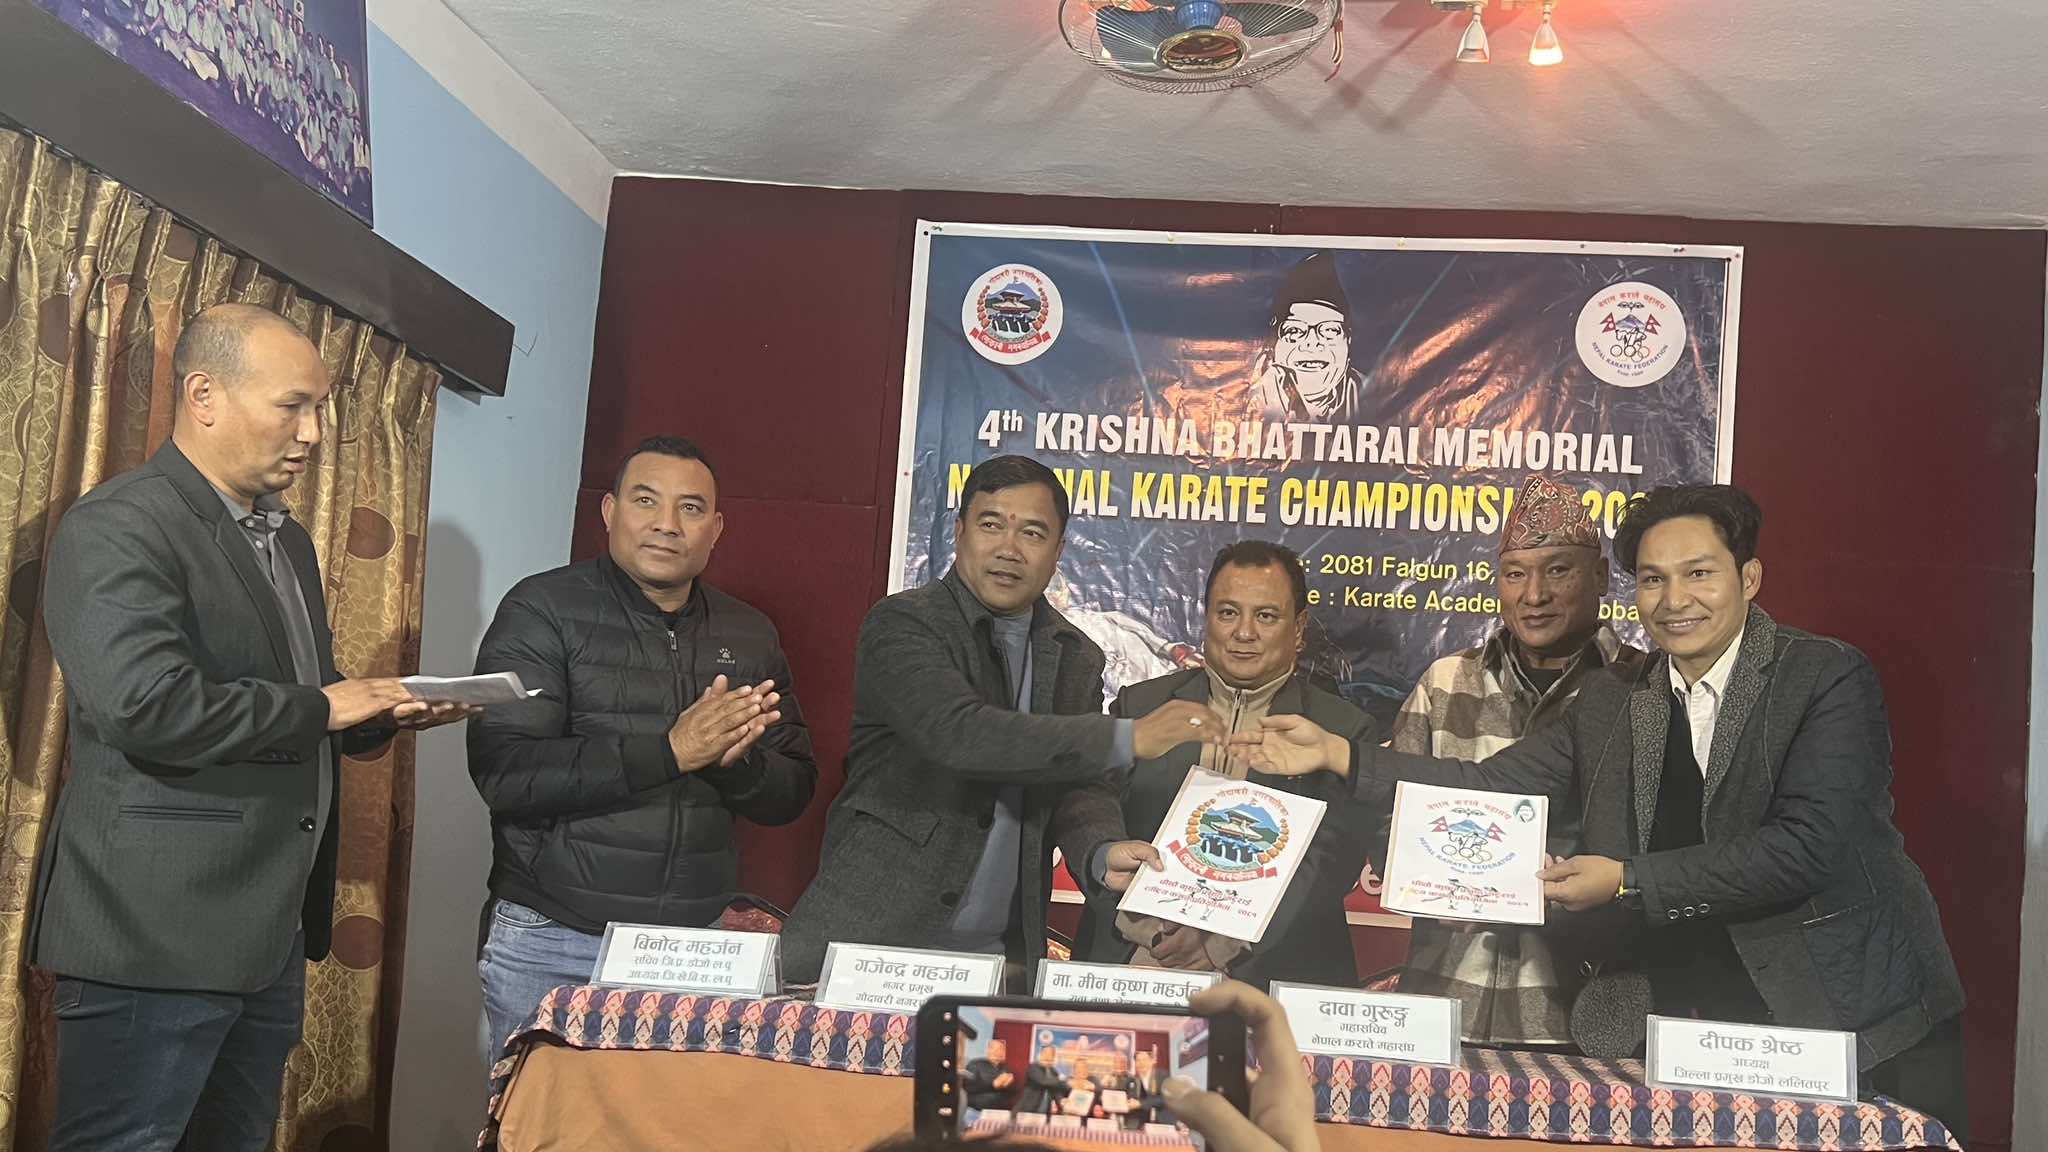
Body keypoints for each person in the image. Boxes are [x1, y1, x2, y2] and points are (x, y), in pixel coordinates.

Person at [1236, 483, 1969, 1140]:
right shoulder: (1617, 699)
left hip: (1853, 1017)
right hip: (1703, 1023)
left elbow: (1805, 847)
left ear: (1748, 578)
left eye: (1699, 574)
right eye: (1653, 579)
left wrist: (1625, 881)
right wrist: (1340, 755)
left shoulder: (1824, 675)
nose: (1675, 600)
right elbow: (1489, 783)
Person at [33, 304, 468, 1152]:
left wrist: (379, 713)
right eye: (291, 406)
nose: (312, 434)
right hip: (150, 936)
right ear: (204, 395)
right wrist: (327, 706)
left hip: (265, 938)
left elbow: (304, 700)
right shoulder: (119, 524)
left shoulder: (288, 542)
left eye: (320, 410)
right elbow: (145, 705)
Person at [780, 456, 1216, 985]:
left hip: (1000, 958)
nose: (1009, 549)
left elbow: (1079, 783)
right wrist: (1129, 736)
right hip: (873, 943)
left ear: (1058, 552)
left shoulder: (1075, 654)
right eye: (991, 524)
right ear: (959, 531)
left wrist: (1101, 851)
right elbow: (961, 734)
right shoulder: (903, 623)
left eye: (1032, 533)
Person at [467, 436, 816, 1064]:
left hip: (694, 948)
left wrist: (737, 765)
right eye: (646, 500)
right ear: (609, 512)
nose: (666, 524)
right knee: (536, 1117)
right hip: (556, 939)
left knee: (671, 1118)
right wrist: (671, 752)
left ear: (716, 529)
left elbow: (791, 791)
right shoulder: (542, 609)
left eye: (690, 508)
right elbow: (507, 774)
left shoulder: (748, 632)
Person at [1386, 475, 1644, 1047]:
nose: (1534, 595)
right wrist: (1420, 874)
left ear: (1601, 578)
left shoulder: (1643, 691)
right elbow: (1392, 817)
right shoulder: (1445, 684)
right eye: (1515, 574)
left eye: (1558, 570)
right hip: (1440, 1004)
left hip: (1582, 1017)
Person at [1079, 541, 1375, 989]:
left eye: (1266, 616)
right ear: (1206, 619)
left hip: (1272, 976)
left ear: (1298, 630)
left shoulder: (1342, 731)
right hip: (1135, 958)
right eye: (1228, 613)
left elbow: (1330, 862)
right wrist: (1148, 925)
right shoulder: (1140, 708)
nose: (1244, 632)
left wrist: (1220, 944)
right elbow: (1091, 812)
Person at [1250, 251, 1364, 424]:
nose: (1312, 343)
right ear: (1274, 344)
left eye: (1329, 330)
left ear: (1347, 341)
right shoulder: (1247, 394)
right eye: (1295, 331)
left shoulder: (1373, 394)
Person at [962, 1038, 1018, 1111]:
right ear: (988, 1050)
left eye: (1000, 1049)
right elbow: (968, 1086)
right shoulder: (975, 1064)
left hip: (999, 1111)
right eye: (993, 1048)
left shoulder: (1007, 1068)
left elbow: (1012, 1093)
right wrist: (993, 1085)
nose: (996, 1052)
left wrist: (1009, 1085)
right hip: (977, 1110)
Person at [1016, 1044, 1070, 1116]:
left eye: (1051, 1054)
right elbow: (1043, 1081)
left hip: (1045, 1111)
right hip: (1028, 1109)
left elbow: (1056, 1090)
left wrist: (1061, 1104)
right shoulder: (1034, 1067)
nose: (1048, 1056)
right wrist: (1061, 1080)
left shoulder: (1053, 1072)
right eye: (1045, 1053)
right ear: (1041, 1054)